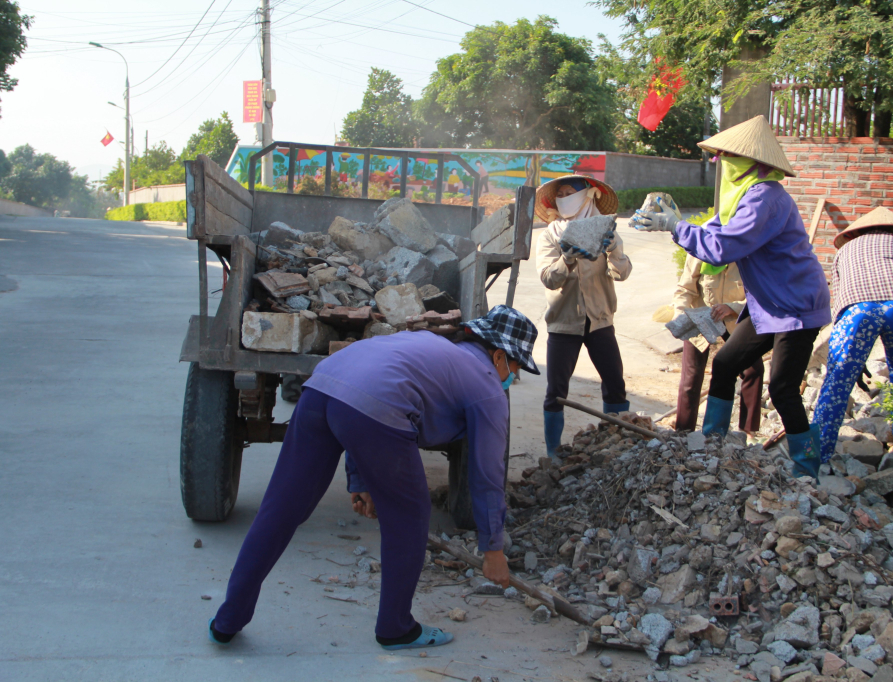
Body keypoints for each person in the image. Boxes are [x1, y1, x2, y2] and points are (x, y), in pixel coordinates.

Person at [208, 306, 540, 650]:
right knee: (409, 517)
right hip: (370, 407)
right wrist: (493, 548)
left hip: (322, 387)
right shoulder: (488, 387)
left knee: (280, 509)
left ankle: (227, 620)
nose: (513, 378)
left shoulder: (430, 346)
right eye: (516, 368)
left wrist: (361, 479)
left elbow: (365, 385)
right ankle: (396, 629)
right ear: (499, 355)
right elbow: (488, 474)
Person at [633, 115, 830, 479]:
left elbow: (722, 247)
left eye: (726, 157)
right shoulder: (745, 197)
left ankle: (808, 468)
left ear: (752, 164)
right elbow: (716, 229)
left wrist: (675, 226)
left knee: (782, 387)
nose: (721, 164)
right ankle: (713, 445)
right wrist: (671, 222)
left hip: (796, 305)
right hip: (767, 304)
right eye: (719, 157)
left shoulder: (765, 198)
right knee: (725, 365)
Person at [813, 207, 893, 464]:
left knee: (836, 383)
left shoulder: (844, 251)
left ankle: (817, 455)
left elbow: (839, 304)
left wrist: (851, 359)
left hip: (857, 311)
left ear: (857, 233)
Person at [535, 175, 632, 459]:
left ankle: (615, 442)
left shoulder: (604, 228)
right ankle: (554, 452)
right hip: (565, 322)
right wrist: (566, 259)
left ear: (588, 195)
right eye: (560, 194)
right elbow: (548, 279)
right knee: (556, 390)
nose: (564, 198)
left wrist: (614, 249)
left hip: (600, 320)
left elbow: (621, 273)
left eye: (570, 193)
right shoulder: (550, 234)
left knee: (615, 384)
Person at [671, 251, 764, 433]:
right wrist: (680, 315)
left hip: (734, 318)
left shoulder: (750, 253)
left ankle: (748, 431)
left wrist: (733, 307)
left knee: (753, 369)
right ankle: (683, 431)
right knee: (692, 374)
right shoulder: (701, 251)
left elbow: (759, 295)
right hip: (700, 314)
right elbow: (685, 289)